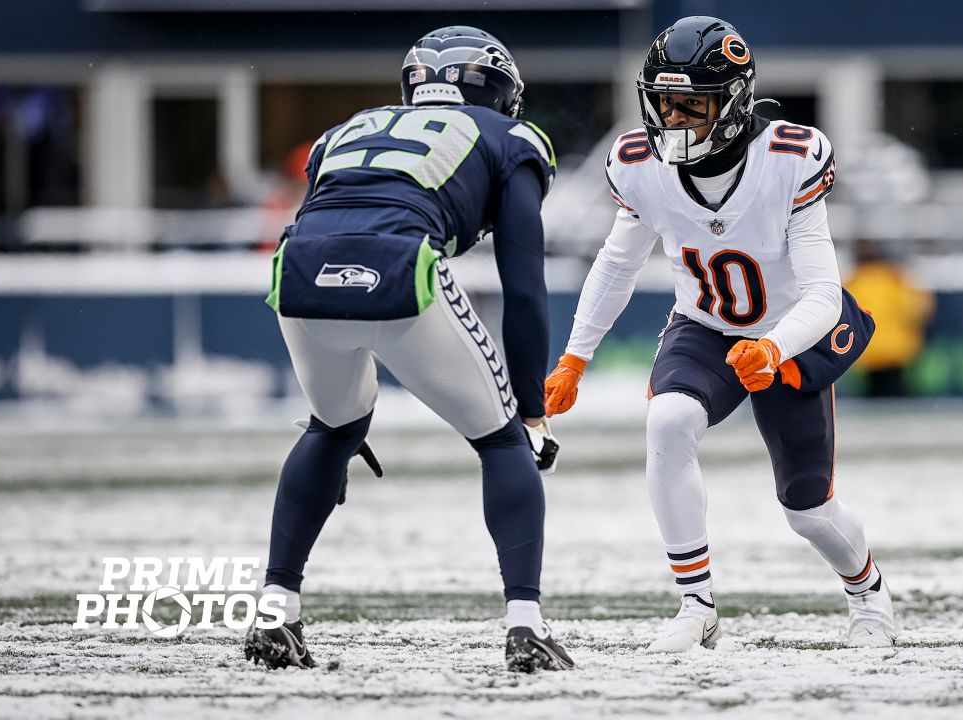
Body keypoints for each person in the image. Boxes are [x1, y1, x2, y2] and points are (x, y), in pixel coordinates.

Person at [543, 16, 897, 650]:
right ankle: (696, 605)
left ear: (733, 102)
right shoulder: (639, 166)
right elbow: (616, 264)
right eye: (664, 104)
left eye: (692, 106)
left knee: (808, 511)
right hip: (704, 327)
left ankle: (867, 591)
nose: (674, 121)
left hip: (792, 330)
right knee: (667, 421)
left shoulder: (789, 158)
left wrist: (773, 347)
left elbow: (822, 293)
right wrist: (575, 357)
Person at [244, 26, 573, 673]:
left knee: (332, 427)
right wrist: (532, 409)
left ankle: (274, 611)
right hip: (400, 266)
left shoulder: (351, 127)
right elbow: (524, 285)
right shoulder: (511, 139)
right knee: (501, 440)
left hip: (298, 271)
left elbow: (330, 216)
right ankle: (525, 626)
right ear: (500, 92)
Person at [845, 239, 935, 397]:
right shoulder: (895, 278)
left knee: (872, 399)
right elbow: (917, 308)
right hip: (896, 351)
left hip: (867, 351)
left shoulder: (853, 282)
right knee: (896, 398)